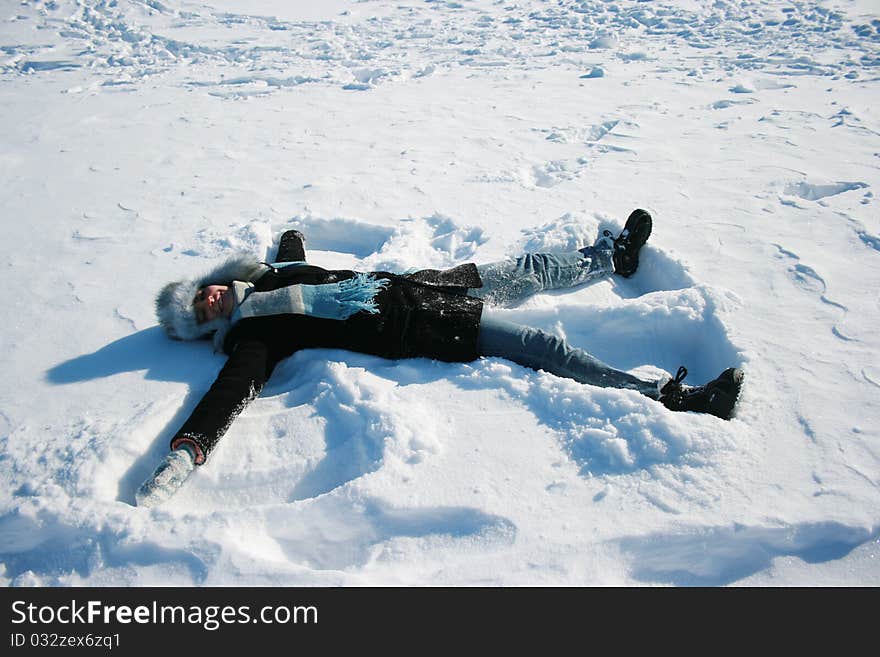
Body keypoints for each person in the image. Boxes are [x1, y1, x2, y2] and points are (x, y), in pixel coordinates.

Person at [136, 210, 744, 506]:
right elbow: (229, 392)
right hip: (426, 325)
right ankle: (668, 396)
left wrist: (289, 243)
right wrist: (187, 452)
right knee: (545, 349)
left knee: (526, 270)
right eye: (202, 312)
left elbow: (299, 262)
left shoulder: (272, 276)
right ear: (206, 329)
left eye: (203, 291)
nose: (210, 300)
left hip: (423, 284)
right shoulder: (255, 337)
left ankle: (614, 259)